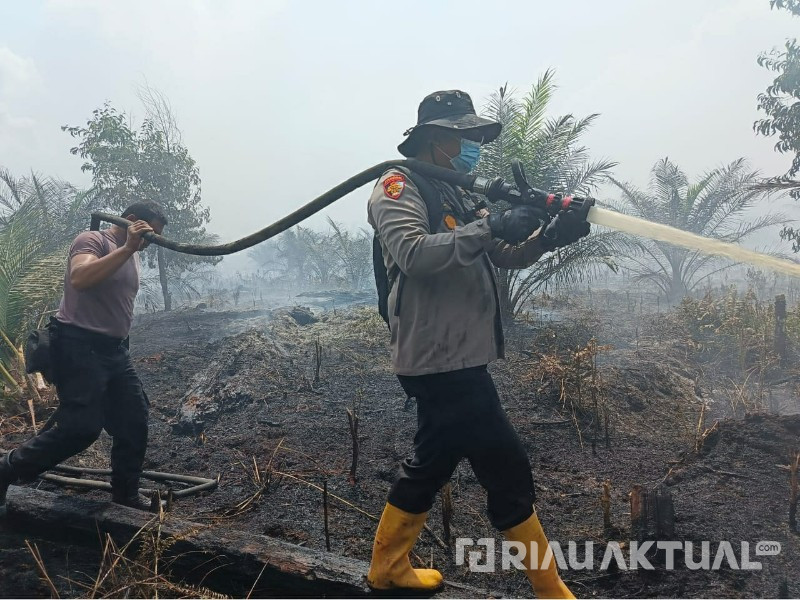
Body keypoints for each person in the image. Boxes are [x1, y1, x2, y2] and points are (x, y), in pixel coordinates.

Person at [366, 90, 590, 597]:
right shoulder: (399, 186)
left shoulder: (461, 195)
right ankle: (552, 590)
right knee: (505, 465)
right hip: (437, 357)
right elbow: (414, 254)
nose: (473, 147)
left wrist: (548, 237)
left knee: (433, 460)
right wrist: (489, 225)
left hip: (459, 354)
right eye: (464, 137)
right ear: (432, 138)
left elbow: (502, 256)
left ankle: (388, 569)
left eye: (476, 138)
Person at [0, 202, 167, 511]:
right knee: (82, 428)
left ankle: (126, 495)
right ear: (131, 221)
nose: (148, 243)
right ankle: (6, 470)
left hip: (115, 352)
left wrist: (131, 249)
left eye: (152, 238)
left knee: (134, 418)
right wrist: (129, 246)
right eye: (148, 234)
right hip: (79, 347)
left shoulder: (132, 253)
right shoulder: (92, 240)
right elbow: (80, 278)